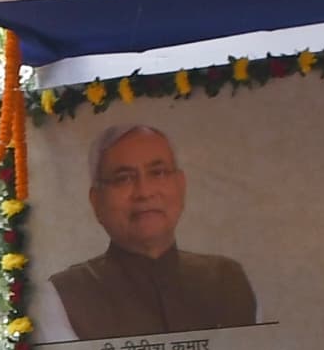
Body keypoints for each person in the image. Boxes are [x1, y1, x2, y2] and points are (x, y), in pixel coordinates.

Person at [49, 124, 260, 338]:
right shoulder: (67, 294)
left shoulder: (225, 279)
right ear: (96, 201)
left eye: (157, 173)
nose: (145, 192)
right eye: (124, 178)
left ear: (181, 185)